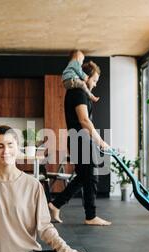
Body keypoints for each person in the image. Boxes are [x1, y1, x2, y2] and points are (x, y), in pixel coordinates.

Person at [49, 61, 112, 226]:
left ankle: (56, 204)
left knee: (84, 177)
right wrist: (100, 141)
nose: (95, 84)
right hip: (81, 140)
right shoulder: (78, 92)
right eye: (95, 80)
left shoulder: (80, 92)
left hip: (80, 140)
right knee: (90, 177)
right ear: (85, 77)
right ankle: (90, 216)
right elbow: (84, 120)